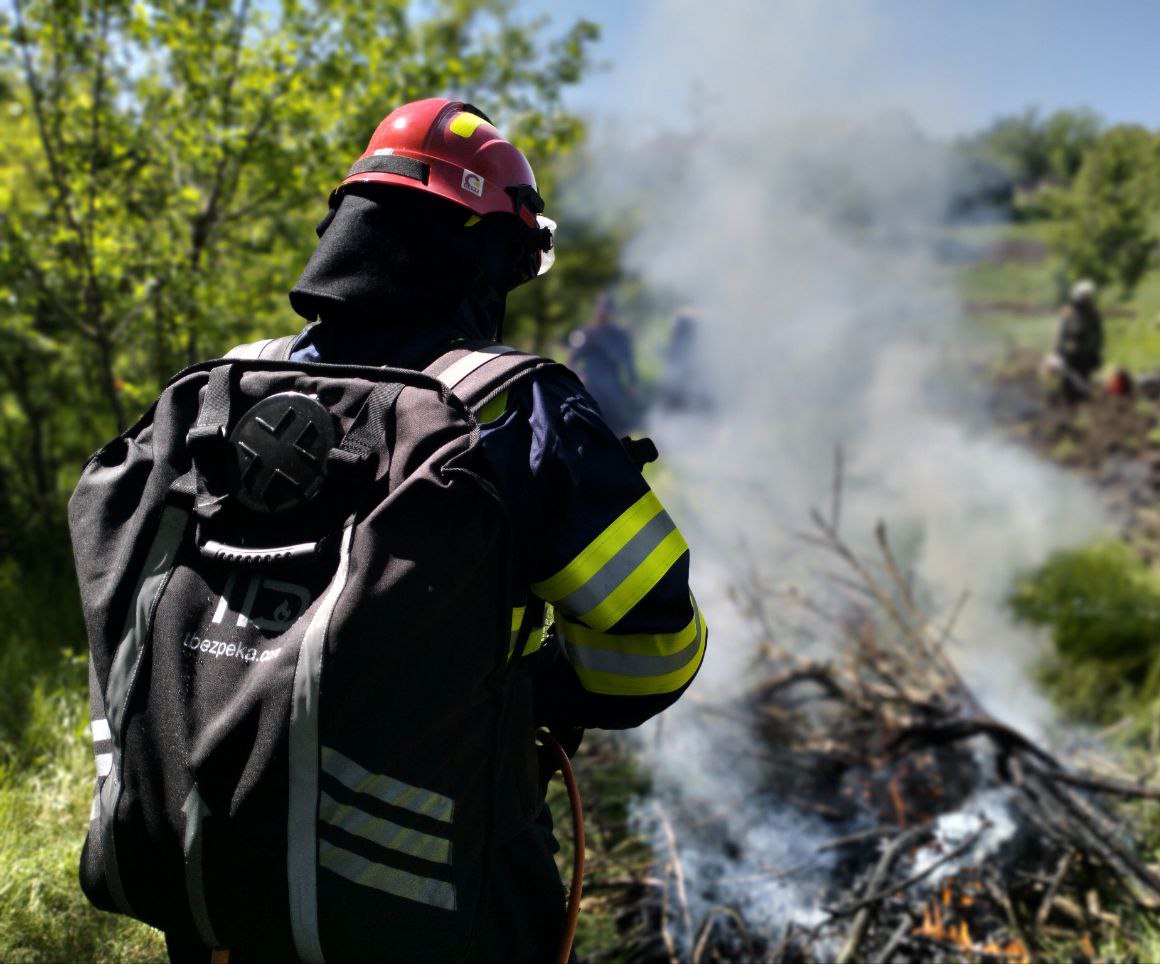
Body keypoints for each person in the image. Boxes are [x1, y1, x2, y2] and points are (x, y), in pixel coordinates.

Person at [78, 98, 706, 964]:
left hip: (212, 895)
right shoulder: (513, 408)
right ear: (483, 253)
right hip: (438, 912)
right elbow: (656, 643)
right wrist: (551, 697)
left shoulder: (220, 393)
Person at [567, 294, 640, 433]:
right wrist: (578, 377)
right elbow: (572, 360)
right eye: (601, 310)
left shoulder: (620, 335)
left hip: (613, 388)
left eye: (607, 311)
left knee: (616, 429)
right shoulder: (587, 333)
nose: (603, 314)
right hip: (590, 388)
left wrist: (633, 382)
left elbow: (628, 360)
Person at [1052, 279, 1104, 403]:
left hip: (1087, 355)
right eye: (1085, 296)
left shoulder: (1093, 314)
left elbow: (1099, 335)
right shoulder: (1067, 313)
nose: (1087, 299)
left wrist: (1096, 351)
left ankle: (1082, 404)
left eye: (1088, 296)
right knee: (1069, 386)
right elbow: (1060, 335)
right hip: (1070, 356)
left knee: (1084, 382)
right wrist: (1060, 350)